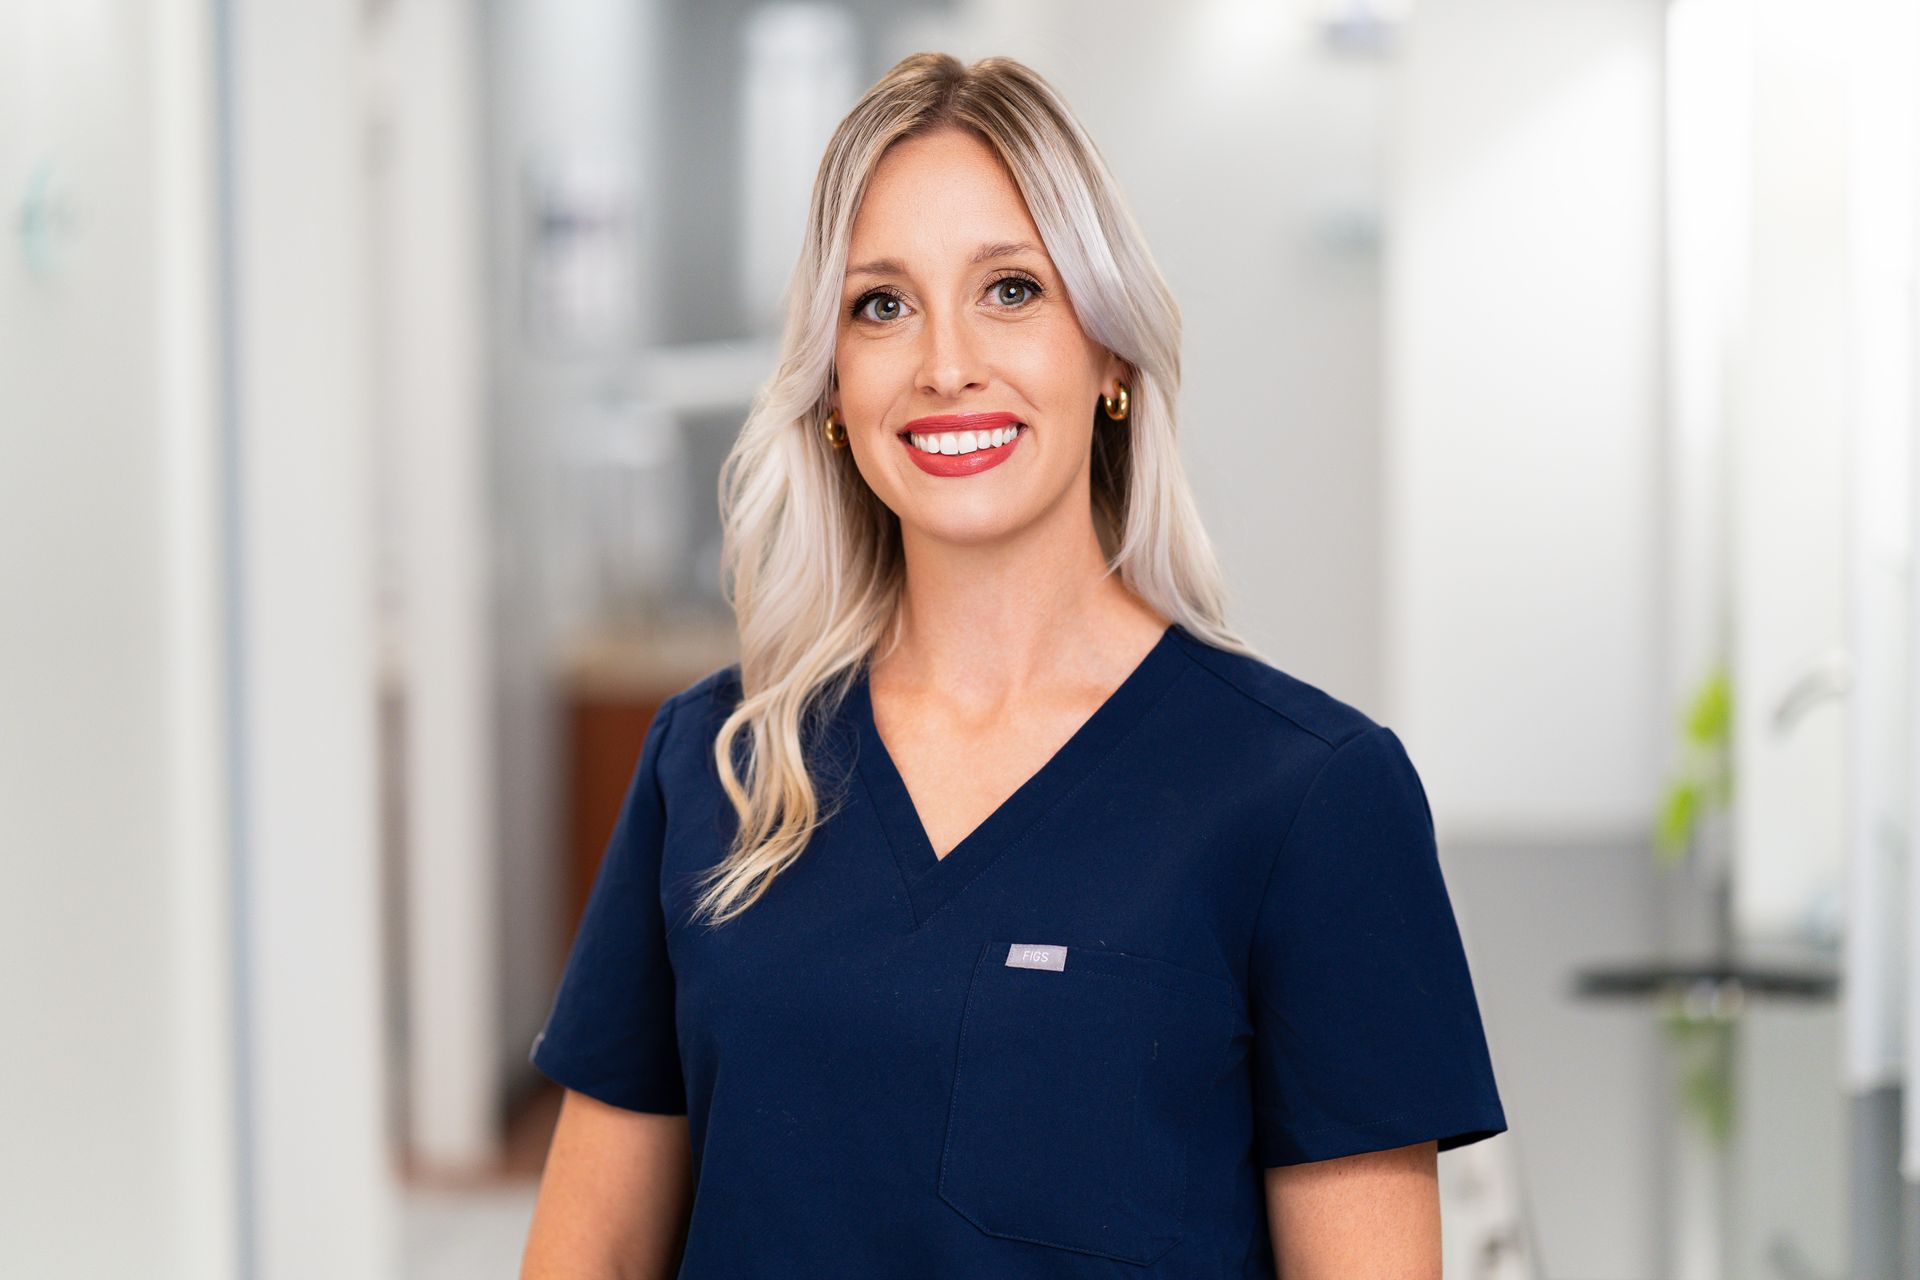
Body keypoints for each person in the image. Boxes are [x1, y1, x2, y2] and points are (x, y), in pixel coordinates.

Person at [520, 50, 1506, 1280]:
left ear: (1112, 360)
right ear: (833, 388)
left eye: (1012, 290)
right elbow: (590, 1255)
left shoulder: (1308, 797)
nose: (945, 362)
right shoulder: (714, 764)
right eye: (882, 304)